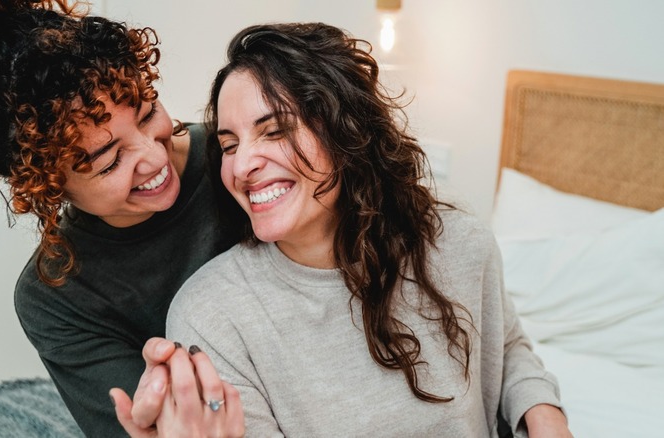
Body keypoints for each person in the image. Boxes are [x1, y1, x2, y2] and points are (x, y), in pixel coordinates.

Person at [145, 22, 572, 437]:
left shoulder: (458, 241)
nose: (241, 166)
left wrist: (544, 414)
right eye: (229, 145)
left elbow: (507, 347)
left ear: (345, 129)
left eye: (274, 130)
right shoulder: (211, 317)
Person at [0, 0, 241, 436]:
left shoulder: (240, 155)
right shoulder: (56, 295)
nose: (153, 156)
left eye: (148, 113)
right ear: (46, 185)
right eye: (110, 162)